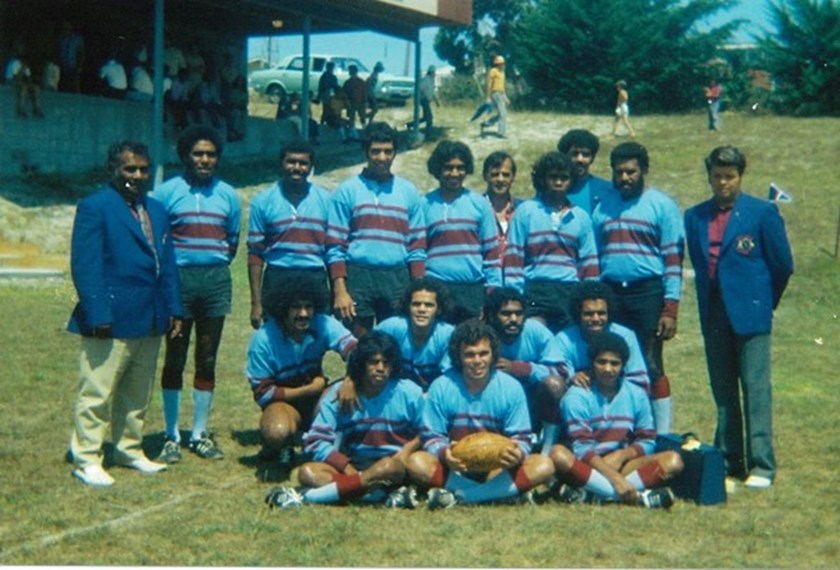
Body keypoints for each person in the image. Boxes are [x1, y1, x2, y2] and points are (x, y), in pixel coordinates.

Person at [67, 141, 183, 487]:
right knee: (98, 391)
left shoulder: (157, 210)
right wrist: (98, 310)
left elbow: (168, 265)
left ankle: (128, 448)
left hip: (149, 317)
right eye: (129, 169)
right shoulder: (95, 207)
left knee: (137, 391)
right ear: (113, 170)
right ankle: (86, 457)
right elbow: (85, 266)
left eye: (143, 169)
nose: (137, 176)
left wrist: (173, 308)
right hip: (109, 318)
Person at [684, 146, 793, 489]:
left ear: (740, 177)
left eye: (730, 177)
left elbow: (783, 265)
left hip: (751, 314)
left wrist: (762, 302)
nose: (723, 183)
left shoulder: (761, 212)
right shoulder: (695, 216)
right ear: (709, 176)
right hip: (714, 312)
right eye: (717, 176)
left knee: (755, 388)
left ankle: (762, 464)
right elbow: (702, 267)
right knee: (723, 390)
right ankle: (730, 459)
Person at [150, 126, 241, 462]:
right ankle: (171, 434)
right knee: (175, 355)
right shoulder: (166, 193)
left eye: (211, 154)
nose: (205, 160)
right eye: (198, 153)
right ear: (185, 156)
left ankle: (199, 433)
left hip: (215, 280)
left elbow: (231, 241)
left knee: (207, 356)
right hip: (178, 282)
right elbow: (157, 241)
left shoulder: (229, 195)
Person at [264, 332, 424, 509]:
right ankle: (376, 494)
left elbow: (427, 431)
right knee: (307, 473)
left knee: (388, 466)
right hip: (354, 464)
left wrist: (405, 452)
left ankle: (307, 497)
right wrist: (347, 468)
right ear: (361, 364)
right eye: (373, 362)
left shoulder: (410, 392)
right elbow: (316, 440)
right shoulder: (340, 394)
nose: (380, 368)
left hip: (394, 463)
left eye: (386, 363)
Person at [405, 320, 555, 508]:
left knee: (543, 465)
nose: (477, 361)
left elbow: (522, 438)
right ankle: (497, 495)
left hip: (497, 469)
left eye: (483, 353)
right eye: (469, 355)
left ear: (493, 355)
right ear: (458, 357)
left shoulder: (511, 388)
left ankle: (465, 496)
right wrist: (445, 454)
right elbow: (431, 436)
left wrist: (517, 454)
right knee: (417, 462)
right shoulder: (441, 386)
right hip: (456, 468)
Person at [591, 142, 684, 434]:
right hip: (612, 293)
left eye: (631, 171)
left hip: (647, 292)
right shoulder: (603, 207)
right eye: (619, 172)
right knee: (613, 362)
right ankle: (623, 429)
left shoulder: (662, 205)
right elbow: (594, 255)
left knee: (650, 363)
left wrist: (670, 307)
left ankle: (662, 433)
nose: (625, 178)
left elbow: (672, 259)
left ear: (644, 171)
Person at [549, 332, 683, 508]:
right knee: (558, 454)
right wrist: (616, 479)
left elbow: (647, 439)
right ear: (592, 363)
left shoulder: (637, 394)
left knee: (673, 461)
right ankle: (639, 498)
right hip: (586, 466)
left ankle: (595, 495)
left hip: (621, 463)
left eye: (614, 363)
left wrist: (622, 455)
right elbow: (582, 449)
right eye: (601, 362)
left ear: (623, 366)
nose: (608, 369)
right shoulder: (576, 397)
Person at [246, 274, 357, 469]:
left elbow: (357, 351)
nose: (304, 313)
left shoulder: (323, 323)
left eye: (309, 307)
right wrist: (310, 390)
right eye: (296, 307)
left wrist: (349, 382)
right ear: (282, 309)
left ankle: (337, 445)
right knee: (276, 432)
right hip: (284, 402)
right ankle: (282, 445)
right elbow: (263, 394)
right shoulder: (263, 339)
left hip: (318, 401)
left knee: (353, 391)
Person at [327, 122, 427, 338]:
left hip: (397, 277)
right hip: (359, 275)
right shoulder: (346, 191)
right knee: (359, 343)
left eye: (388, 151)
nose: (382, 157)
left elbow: (417, 246)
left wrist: (418, 287)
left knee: (395, 342)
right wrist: (340, 290)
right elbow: (335, 246)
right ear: (365, 152)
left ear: (395, 153)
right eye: (376, 151)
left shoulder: (408, 192)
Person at [504, 152, 599, 333]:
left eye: (564, 178)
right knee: (536, 340)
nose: (558, 182)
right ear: (542, 179)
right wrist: (515, 296)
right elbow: (514, 258)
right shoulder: (526, 211)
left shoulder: (581, 217)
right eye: (553, 177)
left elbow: (589, 263)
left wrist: (590, 297)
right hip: (535, 290)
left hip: (570, 292)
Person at [247, 140, 330, 330]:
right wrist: (256, 303)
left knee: (312, 341)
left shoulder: (326, 200)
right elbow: (255, 253)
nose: (297, 168)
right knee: (277, 340)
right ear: (281, 163)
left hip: (314, 276)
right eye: (291, 162)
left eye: (303, 163)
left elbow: (334, 250)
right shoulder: (263, 201)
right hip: (278, 276)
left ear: (311, 167)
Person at [423, 140, 502, 323]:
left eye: (460, 168)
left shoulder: (479, 204)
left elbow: (491, 253)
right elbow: (418, 250)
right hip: (436, 287)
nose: (455, 173)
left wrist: (492, 291)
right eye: (448, 168)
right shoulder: (424, 204)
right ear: (437, 169)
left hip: (471, 289)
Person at [483, 288, 569, 454]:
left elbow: (562, 372)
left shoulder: (535, 330)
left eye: (518, 313)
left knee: (554, 385)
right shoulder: (481, 332)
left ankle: (547, 448)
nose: (513, 319)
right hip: (495, 399)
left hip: (533, 400)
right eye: (506, 314)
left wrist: (518, 368)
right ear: (492, 315)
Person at [554, 282, 650, 394]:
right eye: (588, 314)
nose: (595, 318)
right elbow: (559, 375)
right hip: (581, 397)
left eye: (601, 313)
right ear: (578, 314)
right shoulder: (564, 339)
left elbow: (639, 379)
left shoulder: (625, 336)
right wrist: (572, 377)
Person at [374, 278, 455, 390]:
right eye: (416, 304)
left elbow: (450, 378)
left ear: (439, 309)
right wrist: (350, 380)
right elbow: (362, 355)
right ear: (408, 307)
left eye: (429, 305)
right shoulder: (390, 327)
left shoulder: (448, 335)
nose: (421, 309)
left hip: (433, 395)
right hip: (393, 391)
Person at [556, 129, 613, 216]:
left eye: (585, 154)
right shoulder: (552, 189)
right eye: (574, 154)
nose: (580, 159)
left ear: (592, 158)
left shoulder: (606, 189)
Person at [482, 151, 522, 263]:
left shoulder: (523, 210)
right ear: (485, 176)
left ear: (513, 177)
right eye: (495, 174)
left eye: (506, 175)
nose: (500, 179)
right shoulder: (475, 209)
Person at [5, 41, 43, 118]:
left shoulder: (25, 64)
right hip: (12, 83)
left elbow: (28, 77)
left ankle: (36, 109)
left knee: (35, 88)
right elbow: (12, 77)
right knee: (23, 88)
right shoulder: (13, 63)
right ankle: (20, 110)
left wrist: (31, 84)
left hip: (22, 82)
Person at [480, 55, 509, 138]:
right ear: (497, 64)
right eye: (500, 63)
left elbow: (502, 87)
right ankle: (501, 133)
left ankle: (487, 123)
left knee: (502, 113)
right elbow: (489, 85)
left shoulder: (503, 73)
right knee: (503, 113)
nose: (502, 65)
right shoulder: (493, 71)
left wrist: (505, 97)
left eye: (503, 63)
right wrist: (488, 97)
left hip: (501, 93)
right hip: (495, 93)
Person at [57, 20, 85, 93]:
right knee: (64, 84)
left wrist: (80, 66)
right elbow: (59, 51)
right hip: (63, 65)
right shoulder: (61, 38)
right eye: (64, 26)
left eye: (67, 26)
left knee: (74, 84)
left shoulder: (77, 38)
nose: (66, 28)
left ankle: (78, 100)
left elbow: (81, 53)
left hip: (73, 65)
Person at [343, 64, 367, 140]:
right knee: (354, 118)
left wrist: (365, 101)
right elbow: (345, 93)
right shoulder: (352, 82)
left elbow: (364, 93)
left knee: (358, 118)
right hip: (354, 103)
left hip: (357, 102)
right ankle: (354, 134)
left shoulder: (351, 82)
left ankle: (359, 133)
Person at [418, 65, 440, 136]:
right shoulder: (425, 80)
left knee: (425, 117)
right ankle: (428, 132)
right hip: (423, 99)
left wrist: (436, 101)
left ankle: (409, 125)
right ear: (431, 72)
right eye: (434, 72)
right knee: (429, 117)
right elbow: (420, 88)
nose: (435, 74)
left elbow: (432, 92)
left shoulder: (431, 81)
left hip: (427, 100)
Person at [317, 61, 339, 126]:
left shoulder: (328, 76)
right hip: (326, 95)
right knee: (326, 109)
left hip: (329, 95)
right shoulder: (327, 77)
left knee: (328, 110)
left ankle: (325, 122)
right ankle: (323, 122)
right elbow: (321, 87)